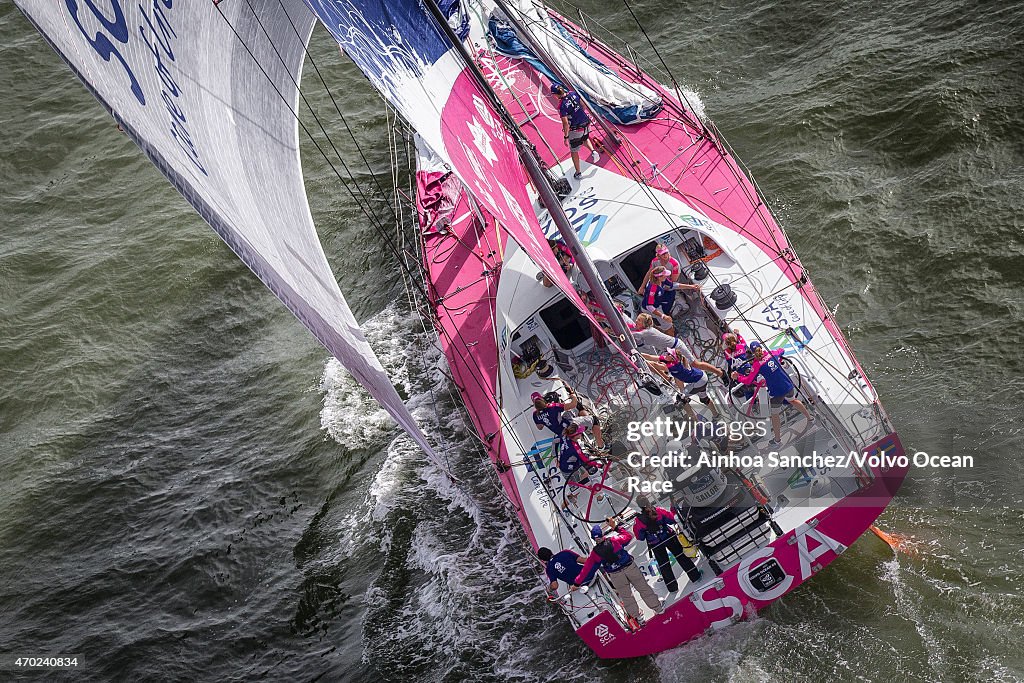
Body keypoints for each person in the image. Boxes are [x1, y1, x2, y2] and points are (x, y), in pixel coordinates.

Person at [574, 519, 661, 625]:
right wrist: (615, 527)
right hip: (630, 568)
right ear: (602, 534)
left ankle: (639, 619)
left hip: (616, 576)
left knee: (627, 597)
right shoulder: (615, 540)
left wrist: (577, 583)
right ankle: (658, 608)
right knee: (643, 588)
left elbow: (586, 569)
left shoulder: (594, 554)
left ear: (593, 538)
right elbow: (628, 536)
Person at [731, 341, 814, 445]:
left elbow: (748, 380)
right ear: (761, 347)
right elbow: (781, 350)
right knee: (793, 400)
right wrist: (778, 358)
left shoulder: (757, 365)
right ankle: (810, 418)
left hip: (776, 392)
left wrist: (737, 377)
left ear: (752, 353)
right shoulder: (773, 353)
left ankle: (777, 440)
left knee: (775, 415)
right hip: (787, 385)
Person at [632, 497, 702, 591]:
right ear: (648, 501)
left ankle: (672, 588)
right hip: (669, 537)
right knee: (682, 557)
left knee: (664, 565)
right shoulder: (659, 511)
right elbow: (672, 520)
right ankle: (695, 577)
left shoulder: (638, 521)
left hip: (655, 543)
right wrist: (672, 508)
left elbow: (640, 537)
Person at [645, 348, 722, 420]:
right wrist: (636, 354)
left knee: (681, 398)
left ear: (672, 358)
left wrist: (642, 361)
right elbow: (650, 357)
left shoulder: (674, 366)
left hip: (698, 382)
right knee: (704, 399)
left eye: (668, 353)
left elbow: (655, 365)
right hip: (702, 377)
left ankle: (695, 421)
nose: (666, 354)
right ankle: (716, 416)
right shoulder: (675, 360)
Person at [552, 83, 600, 179]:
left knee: (574, 151)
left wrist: (566, 137)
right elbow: (583, 105)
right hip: (586, 123)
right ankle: (593, 151)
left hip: (576, 129)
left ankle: (578, 173)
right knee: (585, 139)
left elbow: (565, 124)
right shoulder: (573, 93)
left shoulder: (562, 106)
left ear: (555, 95)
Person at [642, 267, 701, 332]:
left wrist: (691, 287)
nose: (668, 276)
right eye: (665, 275)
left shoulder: (663, 280)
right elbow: (649, 306)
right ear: (659, 277)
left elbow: (673, 285)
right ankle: (671, 337)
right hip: (652, 308)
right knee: (669, 327)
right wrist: (663, 316)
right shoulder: (652, 289)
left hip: (658, 301)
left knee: (672, 293)